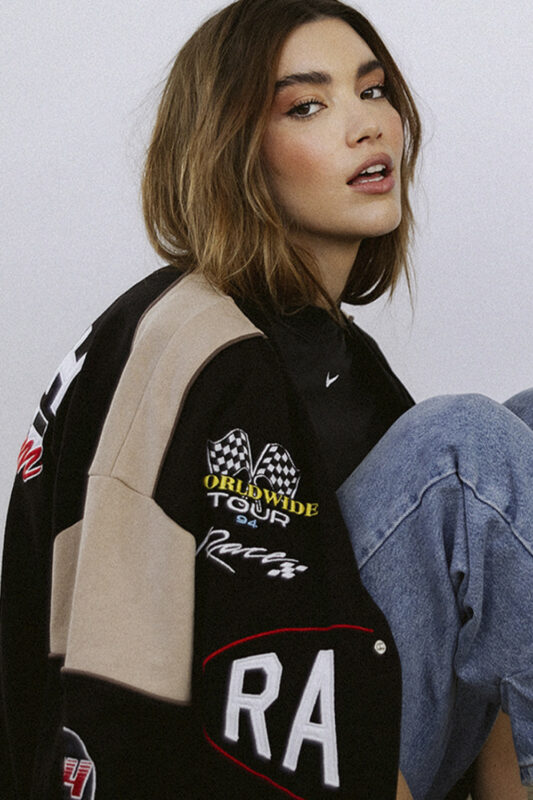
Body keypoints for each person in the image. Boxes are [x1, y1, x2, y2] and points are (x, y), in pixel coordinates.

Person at [0, 1, 531, 799]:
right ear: (232, 152)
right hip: (217, 770)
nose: (367, 125)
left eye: (373, 91)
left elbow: (487, 603)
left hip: (336, 719)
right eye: (307, 105)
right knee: (469, 453)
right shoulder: (186, 337)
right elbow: (109, 649)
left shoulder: (340, 357)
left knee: (518, 430)